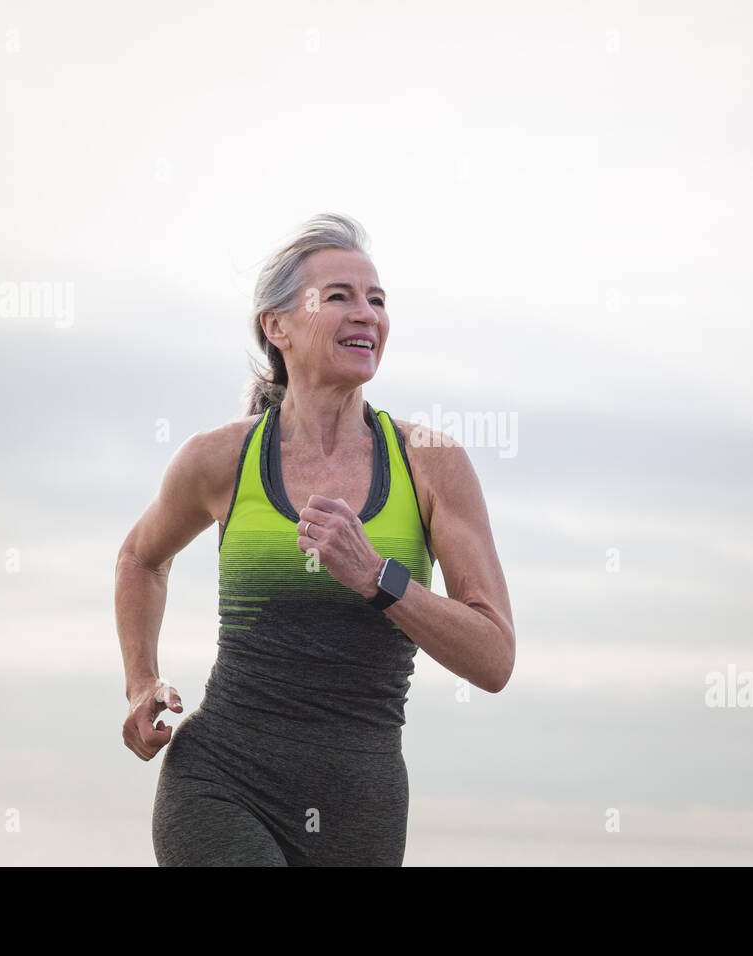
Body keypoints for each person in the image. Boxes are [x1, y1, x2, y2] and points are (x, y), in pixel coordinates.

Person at [114, 213, 515, 865]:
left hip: (361, 806)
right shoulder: (220, 459)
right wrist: (141, 682)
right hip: (221, 784)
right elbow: (141, 557)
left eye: (377, 300)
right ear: (278, 327)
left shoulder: (430, 462)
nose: (367, 315)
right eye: (339, 297)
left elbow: (494, 657)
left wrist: (379, 579)